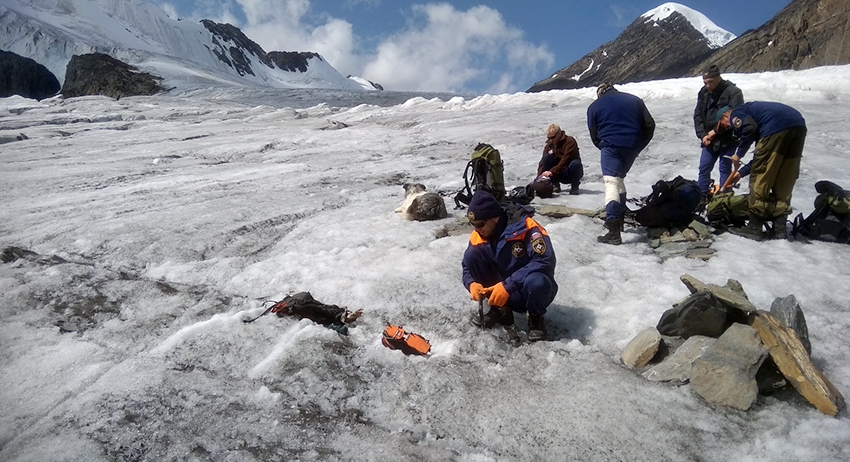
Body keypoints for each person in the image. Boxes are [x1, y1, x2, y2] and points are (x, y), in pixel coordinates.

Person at [461, 190, 558, 341]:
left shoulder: (526, 226)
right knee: (472, 255)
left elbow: (544, 260)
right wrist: (471, 284)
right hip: (501, 290)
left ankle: (535, 316)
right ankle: (501, 309)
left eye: (480, 224)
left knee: (537, 282)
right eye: (472, 224)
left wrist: (508, 285)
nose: (477, 229)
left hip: (528, 288)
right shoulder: (478, 234)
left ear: (495, 217)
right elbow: (467, 266)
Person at [710, 102, 806, 240]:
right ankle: (780, 229)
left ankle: (754, 228)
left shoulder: (737, 112)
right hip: (798, 126)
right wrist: (740, 174)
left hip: (776, 127)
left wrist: (739, 154)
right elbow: (763, 157)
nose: (728, 128)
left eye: (724, 125)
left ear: (726, 115)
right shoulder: (759, 117)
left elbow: (749, 128)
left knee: (760, 179)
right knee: (785, 178)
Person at [587, 82, 656, 245]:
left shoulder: (594, 106)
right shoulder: (635, 100)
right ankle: (621, 220)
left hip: (611, 147)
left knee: (611, 183)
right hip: (632, 147)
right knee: (618, 180)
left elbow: (593, 132)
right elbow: (650, 125)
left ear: (600, 94)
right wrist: (639, 145)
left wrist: (603, 145)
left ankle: (613, 230)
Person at [693, 64, 744, 195]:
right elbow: (698, 115)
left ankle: (724, 197)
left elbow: (732, 117)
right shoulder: (704, 93)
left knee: (725, 168)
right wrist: (703, 135)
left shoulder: (733, 92)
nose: (708, 85)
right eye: (705, 82)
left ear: (718, 78)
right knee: (704, 167)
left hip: (728, 139)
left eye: (710, 82)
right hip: (709, 139)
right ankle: (701, 197)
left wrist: (714, 132)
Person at [538, 123, 583, 195]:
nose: (551, 140)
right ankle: (555, 184)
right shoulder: (549, 145)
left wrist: (552, 171)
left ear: (559, 134)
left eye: (553, 137)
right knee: (546, 158)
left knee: (576, 163)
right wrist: (538, 178)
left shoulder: (570, 141)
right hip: (556, 173)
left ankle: (575, 186)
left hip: (568, 171)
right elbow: (542, 162)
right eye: (549, 138)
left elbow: (566, 158)